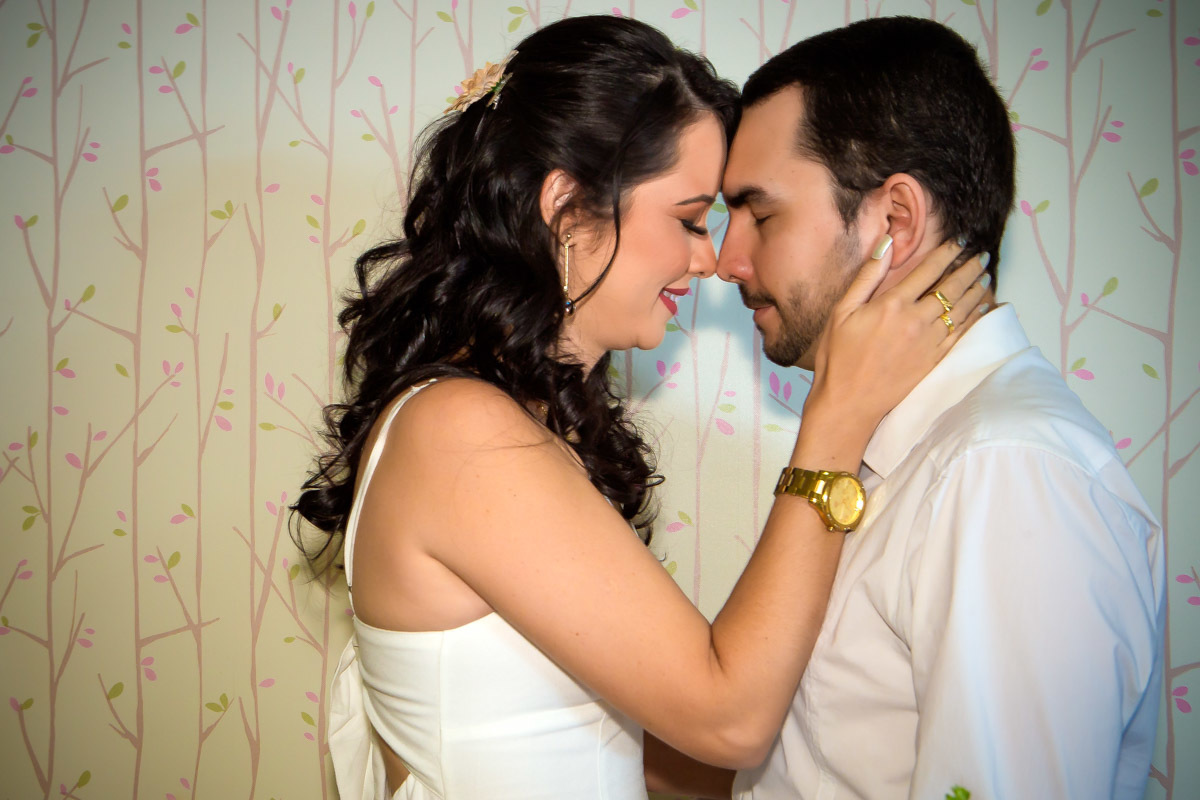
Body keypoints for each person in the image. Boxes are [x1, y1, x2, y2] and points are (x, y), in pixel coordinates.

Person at [294, 15, 988, 800]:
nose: (712, 260)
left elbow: (649, 757)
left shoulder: (509, 424)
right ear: (568, 209)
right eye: (690, 220)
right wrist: (836, 418)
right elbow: (728, 718)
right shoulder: (462, 433)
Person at [647, 16, 1165, 800]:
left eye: (762, 212)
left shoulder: (1009, 476)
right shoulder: (902, 445)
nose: (727, 260)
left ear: (894, 223)